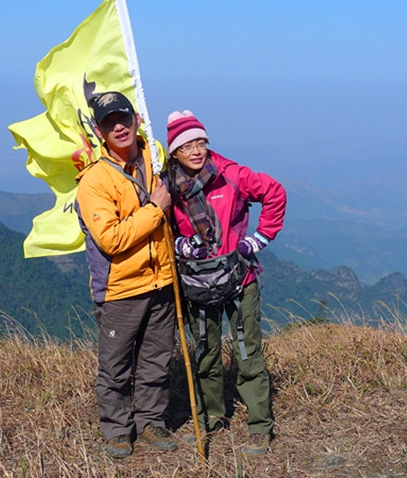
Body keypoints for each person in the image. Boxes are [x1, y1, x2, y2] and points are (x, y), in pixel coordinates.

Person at [164, 110, 286, 456]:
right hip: (197, 284)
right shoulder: (167, 186)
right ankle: (211, 418)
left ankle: (260, 427)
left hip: (239, 278)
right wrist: (178, 244)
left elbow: (274, 192)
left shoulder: (230, 175)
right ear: (174, 152)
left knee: (248, 353)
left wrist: (259, 239)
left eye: (201, 142)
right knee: (205, 354)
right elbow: (160, 228)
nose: (196, 150)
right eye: (187, 145)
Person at [74, 91, 178, 459]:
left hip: (162, 279)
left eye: (122, 117)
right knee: (116, 365)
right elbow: (111, 238)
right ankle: (117, 430)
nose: (118, 126)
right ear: (100, 131)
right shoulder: (94, 181)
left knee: (156, 358)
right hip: (120, 287)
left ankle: (151, 421)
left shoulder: (154, 157)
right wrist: (155, 208)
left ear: (135, 118)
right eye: (108, 122)